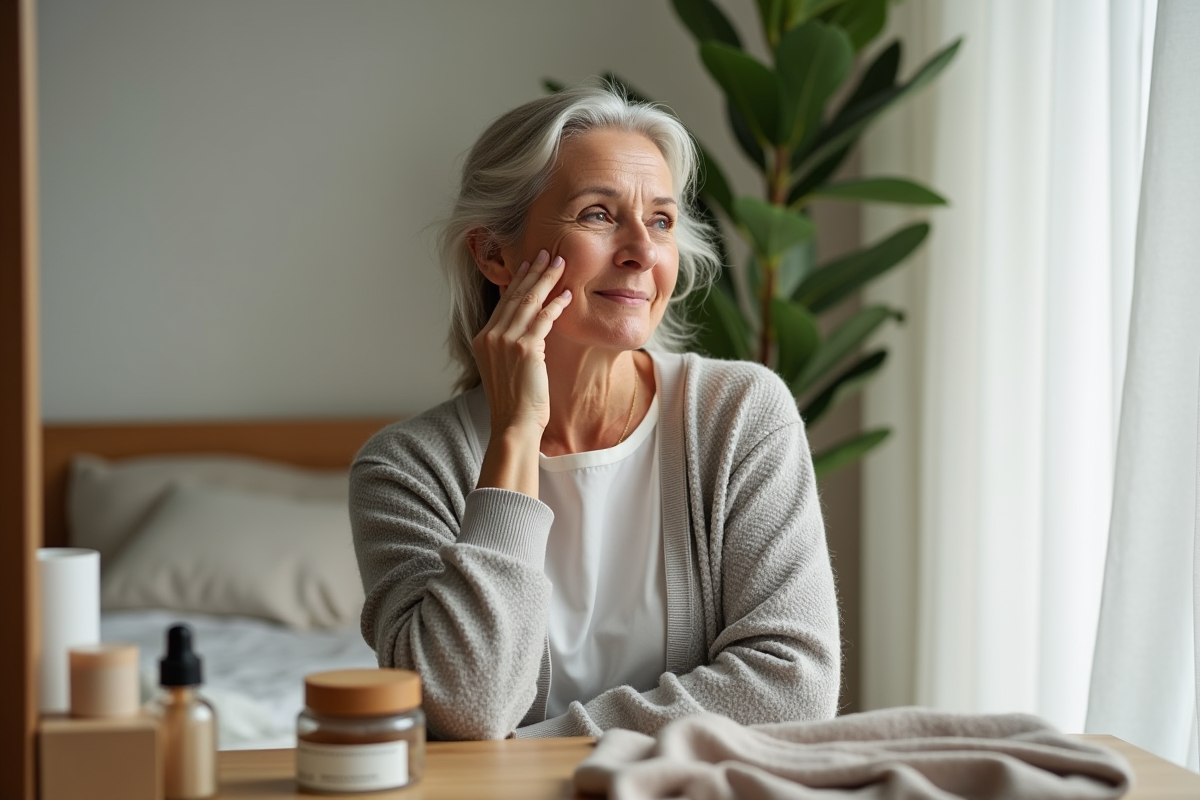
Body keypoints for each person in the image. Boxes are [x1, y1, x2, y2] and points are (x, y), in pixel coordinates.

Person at [350, 84, 840, 740]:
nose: (642, 249)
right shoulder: (408, 469)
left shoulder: (740, 415)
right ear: (495, 254)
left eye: (661, 220)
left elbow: (792, 687)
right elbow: (462, 709)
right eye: (598, 214)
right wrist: (516, 435)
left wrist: (536, 748)